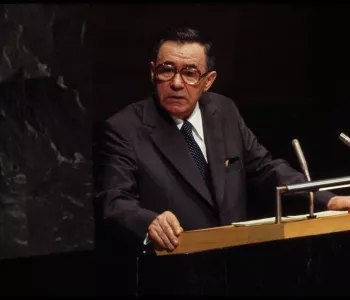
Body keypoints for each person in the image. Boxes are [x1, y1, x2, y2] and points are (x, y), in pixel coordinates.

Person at [93, 27, 350, 256]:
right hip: (171, 270)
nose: (177, 83)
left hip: (234, 265)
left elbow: (265, 168)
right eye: (167, 70)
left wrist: (326, 199)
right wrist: (149, 222)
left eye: (190, 73)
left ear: (208, 81)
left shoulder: (223, 111)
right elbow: (115, 201)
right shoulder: (123, 128)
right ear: (153, 72)